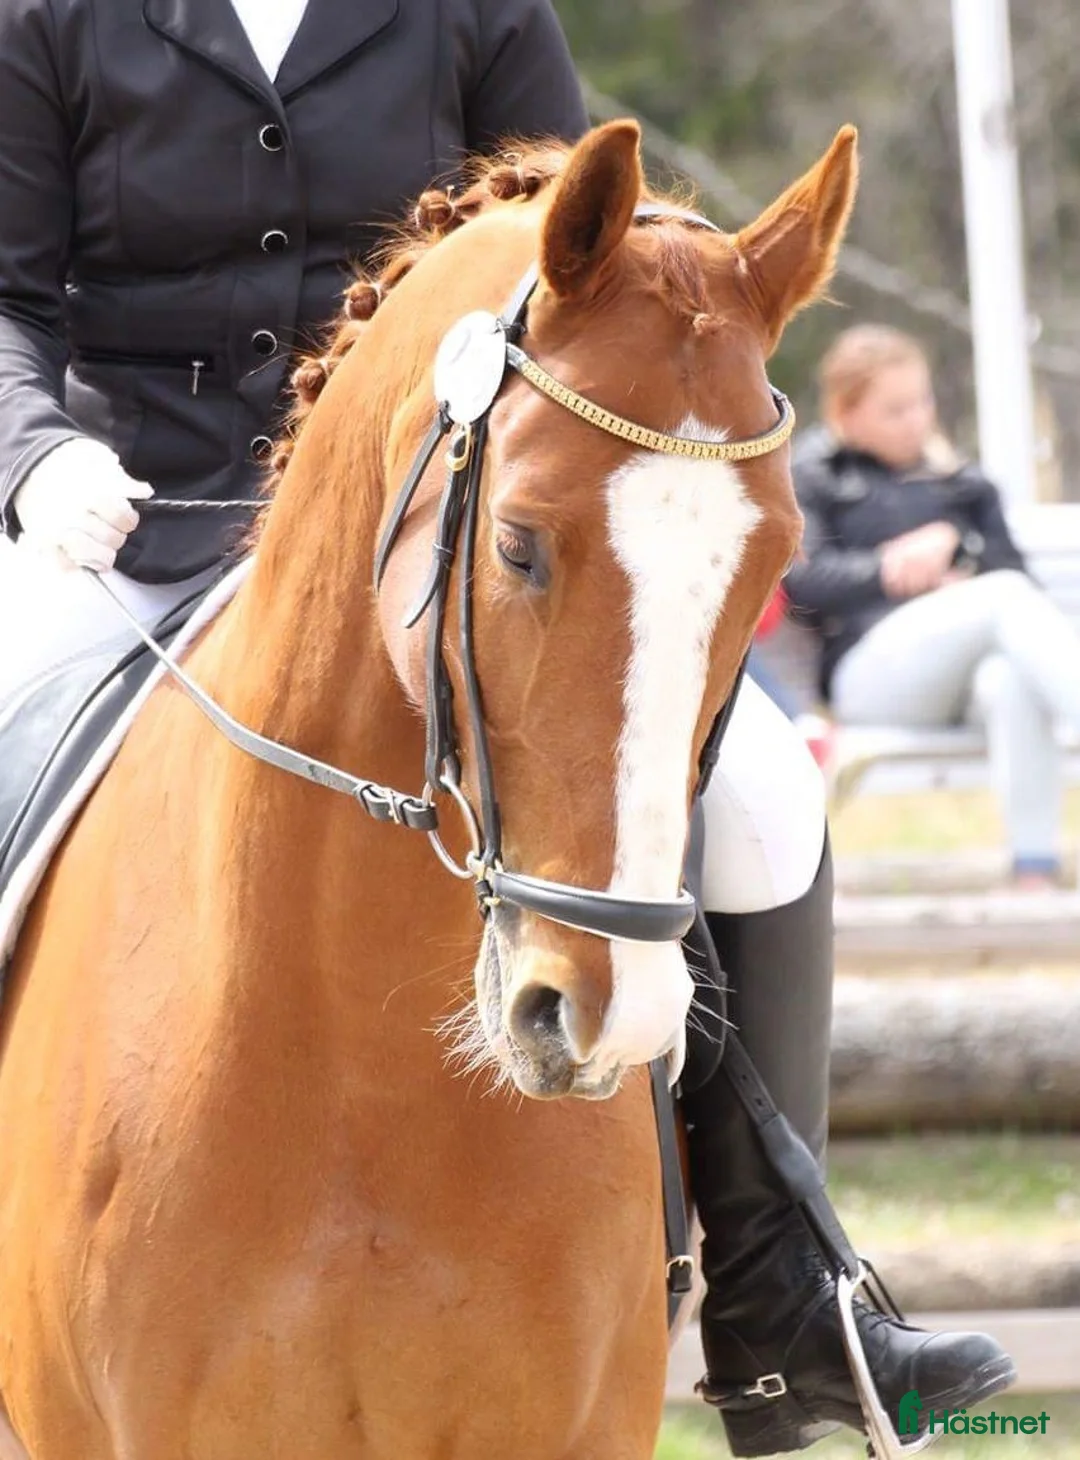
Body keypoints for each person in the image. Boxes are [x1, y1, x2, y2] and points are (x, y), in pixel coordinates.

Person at [0, 4, 1013, 1452]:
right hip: (120, 526)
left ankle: (787, 1301)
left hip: (440, 526)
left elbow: (595, 227)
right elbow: (6, 294)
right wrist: (35, 455)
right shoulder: (54, 18)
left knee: (770, 797)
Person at [788, 324, 1080, 890]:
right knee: (999, 599)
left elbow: (1013, 576)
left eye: (921, 401)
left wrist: (960, 554)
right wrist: (890, 564)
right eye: (895, 409)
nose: (917, 419)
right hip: (869, 678)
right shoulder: (816, 475)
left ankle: (1034, 872)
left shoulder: (962, 483)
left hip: (964, 680)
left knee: (1009, 679)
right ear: (845, 414)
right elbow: (804, 581)